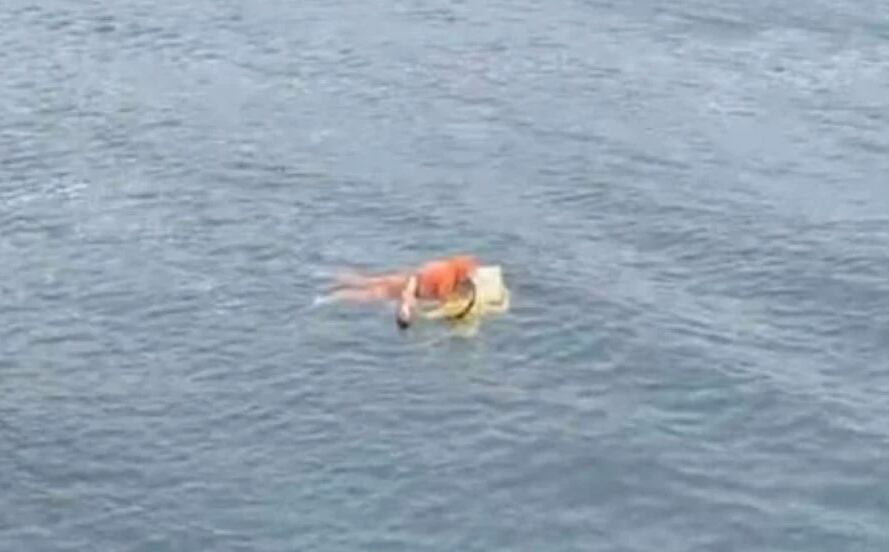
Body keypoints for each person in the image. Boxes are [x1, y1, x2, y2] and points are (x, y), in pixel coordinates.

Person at [329, 254, 480, 328]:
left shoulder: (447, 265)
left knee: (373, 281)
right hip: (412, 290)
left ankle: (336, 277)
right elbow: (443, 299)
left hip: (409, 278)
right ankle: (334, 297)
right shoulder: (448, 279)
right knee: (371, 295)